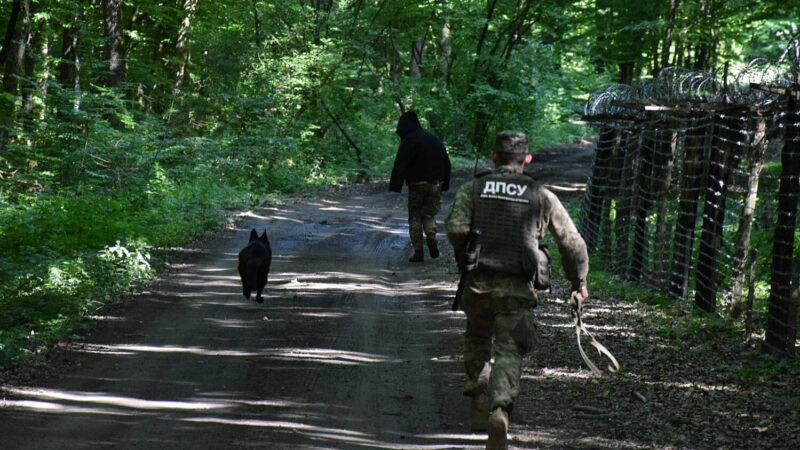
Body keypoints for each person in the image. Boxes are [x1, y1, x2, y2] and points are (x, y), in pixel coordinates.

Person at [444, 131, 589, 450]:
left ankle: (479, 391)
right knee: (509, 349)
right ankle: (499, 410)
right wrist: (579, 282)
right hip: (518, 287)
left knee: (478, 337)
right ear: (526, 160)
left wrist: (467, 252)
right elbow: (572, 243)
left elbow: (455, 228)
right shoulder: (540, 194)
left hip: (478, 283)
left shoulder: (475, 188)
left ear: (494, 158)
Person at [389, 110, 451, 262]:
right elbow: (446, 163)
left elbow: (401, 163)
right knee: (429, 214)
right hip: (435, 183)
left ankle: (418, 251)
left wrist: (396, 184)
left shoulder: (409, 140)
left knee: (415, 216)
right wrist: (445, 184)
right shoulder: (434, 139)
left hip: (417, 184)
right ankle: (430, 235)